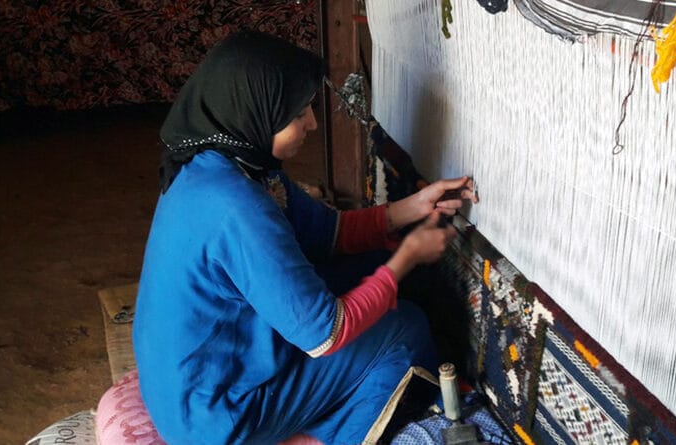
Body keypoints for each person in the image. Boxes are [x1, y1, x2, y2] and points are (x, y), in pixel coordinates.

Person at [132, 31, 478, 445]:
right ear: (258, 111)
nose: (312, 123)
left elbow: (329, 233)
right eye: (298, 115)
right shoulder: (236, 206)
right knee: (404, 328)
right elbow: (326, 333)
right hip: (213, 418)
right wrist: (405, 257)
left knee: (366, 269)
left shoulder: (233, 163)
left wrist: (415, 206)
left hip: (198, 378)